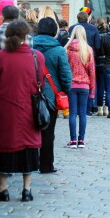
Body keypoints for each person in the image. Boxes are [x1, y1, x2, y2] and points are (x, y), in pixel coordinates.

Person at [0, 20, 47, 202]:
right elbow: (40, 82)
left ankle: (3, 188)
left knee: (4, 147)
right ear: (27, 36)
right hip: (29, 111)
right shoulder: (37, 57)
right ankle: (27, 189)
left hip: (4, 111)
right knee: (28, 147)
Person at [33, 18, 72, 173]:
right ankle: (46, 164)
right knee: (48, 133)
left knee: (30, 130)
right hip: (50, 97)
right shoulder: (58, 50)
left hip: (30, 94)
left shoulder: (29, 46)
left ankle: (30, 163)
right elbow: (66, 76)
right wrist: (65, 90)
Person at [64, 26, 96, 148]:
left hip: (72, 84)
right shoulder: (88, 49)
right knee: (82, 113)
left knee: (72, 113)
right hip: (85, 85)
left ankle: (73, 140)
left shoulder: (67, 49)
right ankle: (81, 140)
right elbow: (92, 71)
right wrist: (92, 90)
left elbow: (65, 69)